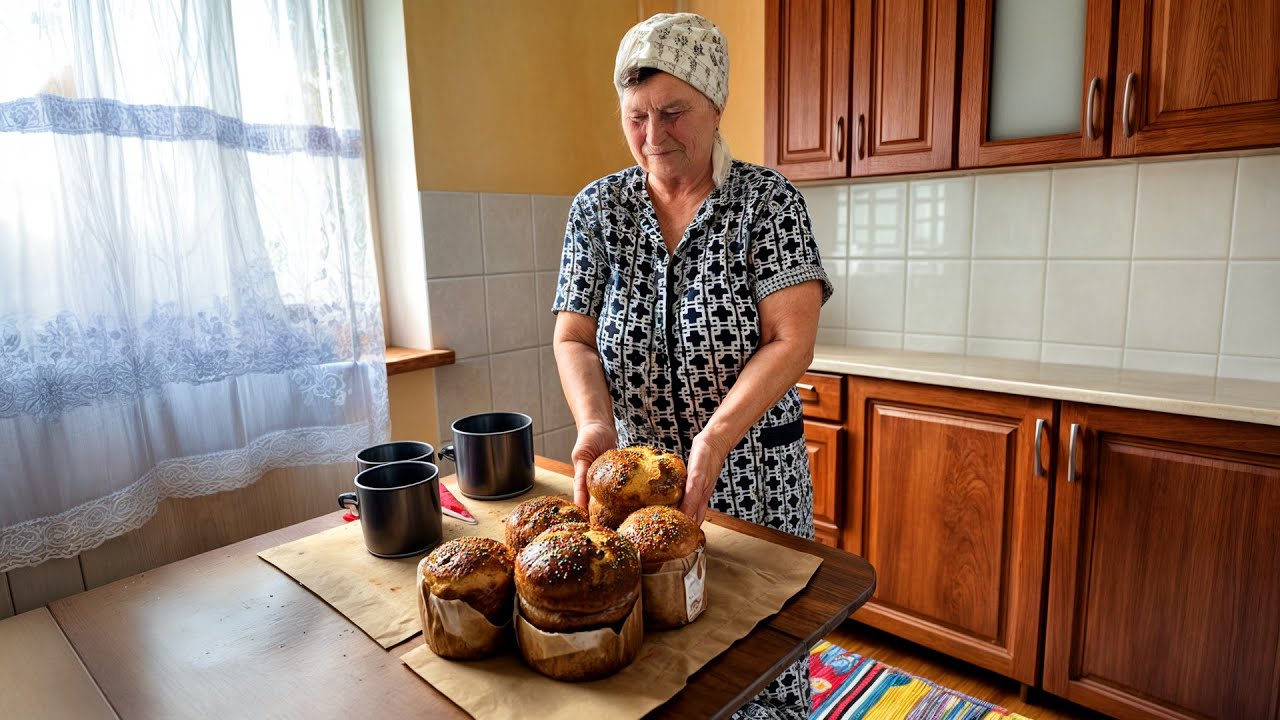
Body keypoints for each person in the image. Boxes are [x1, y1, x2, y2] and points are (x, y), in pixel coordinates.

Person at [551, 13, 830, 720]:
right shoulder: (599, 211)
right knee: (664, 662)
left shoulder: (768, 205)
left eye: (673, 113)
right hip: (639, 497)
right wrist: (594, 426)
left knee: (761, 657)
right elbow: (575, 338)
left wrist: (713, 439)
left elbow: (790, 339)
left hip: (753, 483)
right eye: (636, 117)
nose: (653, 136)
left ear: (715, 106)